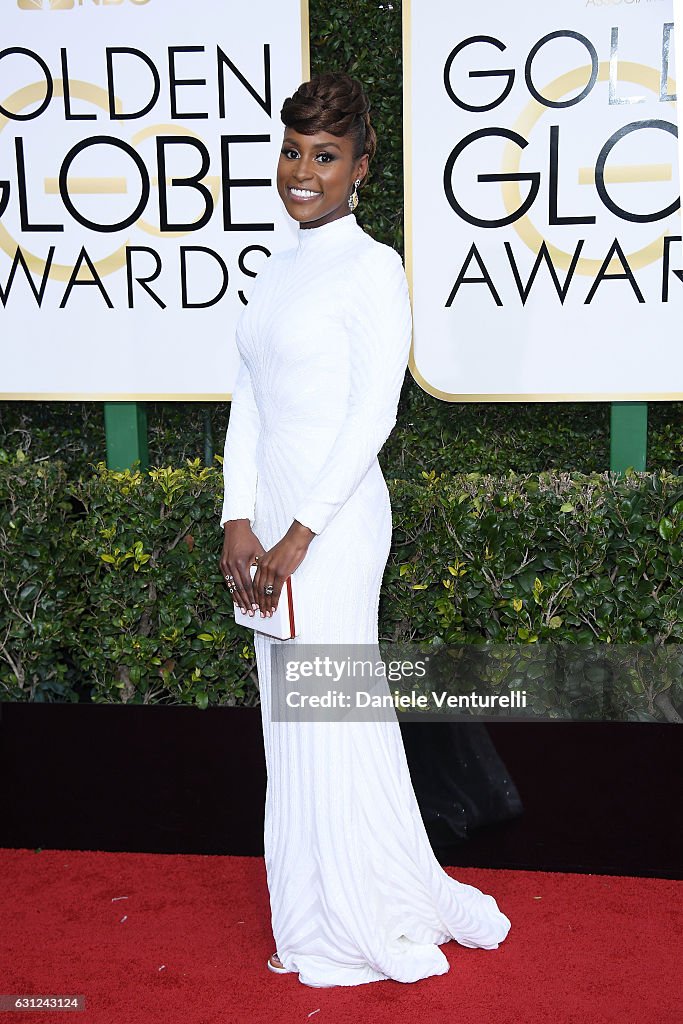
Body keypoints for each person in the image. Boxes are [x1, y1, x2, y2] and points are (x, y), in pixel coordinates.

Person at [218, 72, 511, 988]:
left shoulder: (373, 268)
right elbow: (248, 403)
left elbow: (372, 416)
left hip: (332, 528)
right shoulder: (273, 266)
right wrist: (236, 518)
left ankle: (356, 913)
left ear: (360, 169)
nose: (302, 171)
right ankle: (309, 902)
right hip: (266, 521)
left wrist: (298, 534)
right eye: (293, 150)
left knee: (327, 717)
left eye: (325, 155)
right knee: (289, 723)